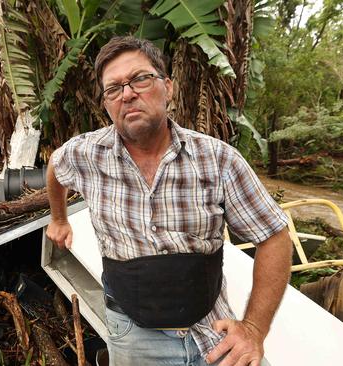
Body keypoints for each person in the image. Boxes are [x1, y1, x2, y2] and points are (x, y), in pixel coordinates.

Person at [46, 36, 293, 366]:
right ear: (106, 103)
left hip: (214, 332)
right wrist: (58, 218)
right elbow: (54, 167)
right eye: (113, 88)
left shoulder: (218, 160)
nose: (128, 93)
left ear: (168, 87)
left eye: (140, 79)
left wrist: (253, 329)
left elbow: (274, 237)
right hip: (133, 340)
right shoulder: (85, 154)